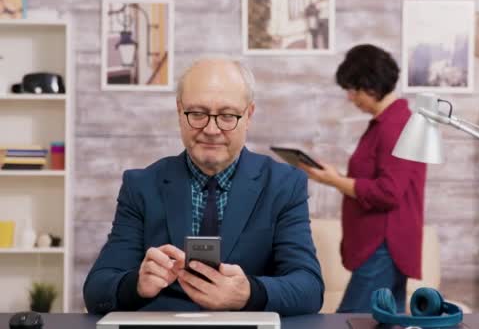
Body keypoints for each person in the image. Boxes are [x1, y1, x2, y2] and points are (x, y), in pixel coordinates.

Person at [83, 57, 324, 316]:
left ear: (249, 115)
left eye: (227, 115)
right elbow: (97, 290)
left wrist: (250, 293)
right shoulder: (141, 185)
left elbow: (309, 287)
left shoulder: (284, 185)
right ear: (179, 111)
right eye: (197, 114)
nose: (211, 129)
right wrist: (136, 285)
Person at [300, 44, 426, 313]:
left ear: (371, 85)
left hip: (384, 245)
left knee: (350, 322)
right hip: (383, 245)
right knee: (382, 323)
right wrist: (333, 177)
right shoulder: (387, 124)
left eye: (353, 89)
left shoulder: (396, 126)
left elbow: (388, 192)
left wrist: (334, 181)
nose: (350, 97)